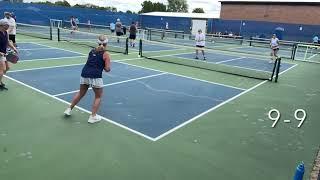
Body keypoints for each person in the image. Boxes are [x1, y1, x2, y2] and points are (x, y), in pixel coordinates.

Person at [64, 34, 111, 123]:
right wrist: (104, 66)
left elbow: (89, 62)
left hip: (84, 73)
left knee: (81, 93)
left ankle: (69, 109)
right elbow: (107, 69)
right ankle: (92, 117)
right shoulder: (106, 54)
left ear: (98, 42)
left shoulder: (92, 51)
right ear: (106, 44)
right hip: (95, 76)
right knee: (98, 96)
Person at [0, 19, 18, 90]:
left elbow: (7, 42)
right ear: (2, 25)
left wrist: (13, 47)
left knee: (7, 68)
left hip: (4, 53)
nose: (8, 26)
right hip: (0, 54)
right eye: (7, 25)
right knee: (2, 69)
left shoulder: (6, 33)